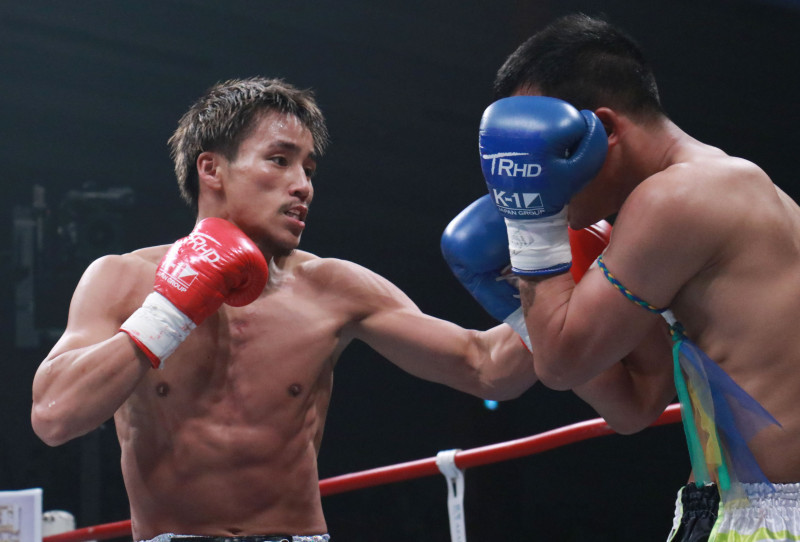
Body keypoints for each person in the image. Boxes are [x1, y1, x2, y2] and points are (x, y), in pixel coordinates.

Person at [30, 77, 543, 542]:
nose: (303, 185)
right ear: (211, 169)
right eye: (279, 160)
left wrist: (549, 266)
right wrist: (167, 312)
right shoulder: (122, 280)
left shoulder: (334, 287)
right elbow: (54, 416)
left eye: (308, 168)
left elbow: (486, 368)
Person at [476, 13, 800, 541]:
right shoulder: (694, 201)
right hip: (726, 507)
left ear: (602, 130)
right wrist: (520, 309)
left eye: (539, 153)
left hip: (777, 512)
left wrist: (531, 225)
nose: (532, 173)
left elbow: (558, 364)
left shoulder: (679, 197)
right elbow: (633, 406)